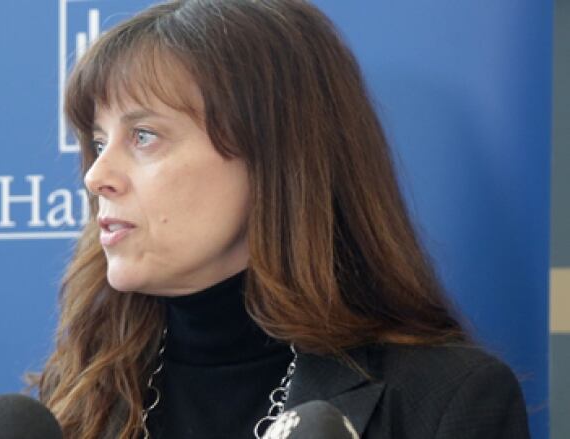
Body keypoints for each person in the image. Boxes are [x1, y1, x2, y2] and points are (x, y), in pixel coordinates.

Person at [33, 0, 531, 438]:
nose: (97, 176)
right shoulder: (80, 393)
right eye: (98, 142)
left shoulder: (445, 401)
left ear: (274, 158)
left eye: (143, 135)